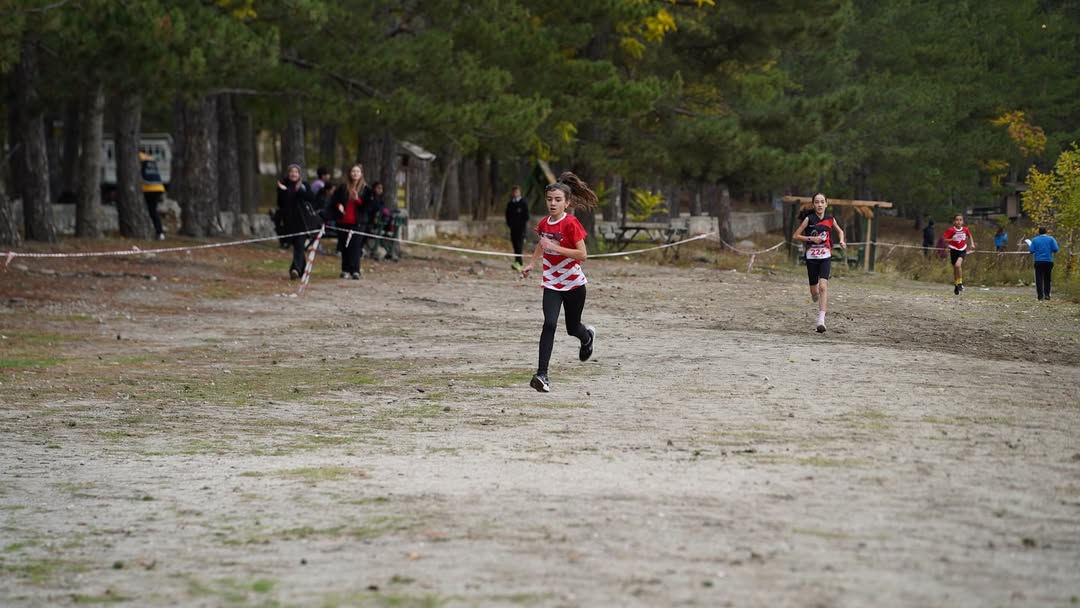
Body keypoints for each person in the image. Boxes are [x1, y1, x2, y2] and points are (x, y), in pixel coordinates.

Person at [520, 172, 598, 393]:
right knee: (549, 324)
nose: (552, 203)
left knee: (573, 328)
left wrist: (555, 248)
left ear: (567, 203)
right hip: (551, 284)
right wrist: (531, 264)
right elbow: (541, 244)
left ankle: (587, 337)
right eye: (549, 199)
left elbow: (582, 255)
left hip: (574, 285)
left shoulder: (571, 223)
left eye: (557, 200)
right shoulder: (544, 223)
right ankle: (542, 375)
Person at [792, 193, 846, 333]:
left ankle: (821, 321)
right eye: (817, 202)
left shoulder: (830, 219)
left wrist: (841, 240)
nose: (820, 204)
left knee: (823, 287)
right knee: (814, 291)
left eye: (822, 202)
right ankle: (814, 294)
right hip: (811, 258)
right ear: (813, 204)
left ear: (826, 204)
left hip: (825, 256)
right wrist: (811, 239)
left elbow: (840, 231)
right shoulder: (809, 219)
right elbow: (796, 236)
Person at [276, 163, 317, 280]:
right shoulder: (283, 185)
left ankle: (295, 269)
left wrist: (300, 190)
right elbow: (280, 203)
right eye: (291, 172)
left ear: (299, 174)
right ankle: (302, 269)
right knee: (297, 246)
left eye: (296, 172)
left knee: (299, 245)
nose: (293, 174)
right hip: (289, 221)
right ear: (288, 173)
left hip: (302, 221)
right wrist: (284, 191)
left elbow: (311, 197)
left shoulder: (304, 185)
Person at [330, 164, 369, 279]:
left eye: (357, 171)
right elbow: (334, 200)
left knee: (355, 246)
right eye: (353, 171)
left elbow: (368, 207)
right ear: (349, 173)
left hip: (358, 222)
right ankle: (345, 269)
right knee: (344, 246)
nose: (355, 173)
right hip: (343, 221)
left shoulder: (365, 189)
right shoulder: (342, 187)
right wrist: (339, 205)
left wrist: (357, 199)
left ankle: (355, 270)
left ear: (361, 174)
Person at [942, 213, 974, 295]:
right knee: (955, 269)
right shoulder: (951, 230)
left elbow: (969, 235)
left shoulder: (965, 229)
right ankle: (956, 285)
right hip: (953, 250)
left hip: (962, 250)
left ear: (963, 221)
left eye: (960, 220)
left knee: (958, 265)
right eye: (957, 220)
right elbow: (944, 240)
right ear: (953, 222)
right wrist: (951, 239)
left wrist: (972, 244)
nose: (959, 221)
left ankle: (960, 283)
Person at [139, 151, 166, 240]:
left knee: (149, 211)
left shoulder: (139, 158)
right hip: (159, 187)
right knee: (153, 211)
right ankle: (160, 232)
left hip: (148, 188)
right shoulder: (150, 158)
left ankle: (152, 231)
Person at [1027, 226, 1059, 301]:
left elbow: (1031, 250)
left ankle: (1040, 296)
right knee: (1047, 278)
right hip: (1048, 261)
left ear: (1039, 232)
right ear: (1046, 232)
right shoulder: (1051, 239)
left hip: (1038, 261)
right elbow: (1055, 249)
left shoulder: (1035, 240)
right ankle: (1047, 295)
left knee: (1039, 279)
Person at [505, 185, 530, 271]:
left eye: (517, 192)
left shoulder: (523, 202)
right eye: (514, 192)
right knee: (515, 245)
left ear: (519, 192)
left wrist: (521, 225)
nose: (515, 193)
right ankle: (517, 262)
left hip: (521, 229)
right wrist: (510, 224)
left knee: (519, 245)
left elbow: (526, 216)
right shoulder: (510, 204)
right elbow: (507, 215)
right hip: (513, 228)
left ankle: (519, 263)